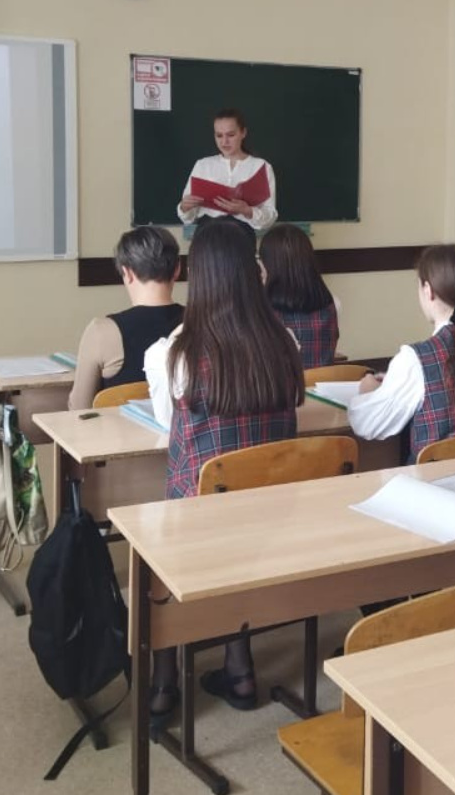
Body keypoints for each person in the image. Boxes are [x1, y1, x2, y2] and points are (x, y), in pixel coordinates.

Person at [141, 220, 304, 721]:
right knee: (241, 545)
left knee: (153, 545)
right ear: (253, 273)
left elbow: (169, 425)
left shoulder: (173, 353)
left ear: (199, 277)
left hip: (200, 517)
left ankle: (164, 681)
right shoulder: (285, 342)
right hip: (272, 514)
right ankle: (239, 668)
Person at [348, 244, 455, 463]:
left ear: (428, 290)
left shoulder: (414, 359)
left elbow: (368, 425)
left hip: (434, 481)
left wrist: (367, 391)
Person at [67, 226, 183, 410]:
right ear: (177, 270)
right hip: (184, 429)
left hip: (118, 430)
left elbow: (79, 408)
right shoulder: (202, 323)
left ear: (127, 273)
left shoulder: (102, 332)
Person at [176, 108, 277, 230]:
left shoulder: (261, 166)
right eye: (219, 135)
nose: (224, 141)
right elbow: (187, 216)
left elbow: (270, 215)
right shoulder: (203, 165)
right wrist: (184, 207)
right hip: (207, 233)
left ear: (243, 133)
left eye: (231, 135)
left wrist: (247, 211)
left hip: (242, 234)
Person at [259, 223, 340, 368]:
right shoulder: (331, 302)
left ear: (268, 265)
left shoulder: (260, 311)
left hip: (281, 383)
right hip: (321, 382)